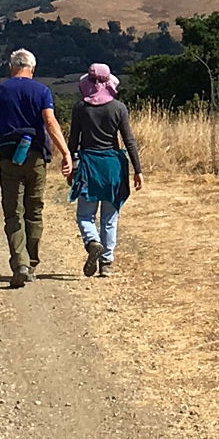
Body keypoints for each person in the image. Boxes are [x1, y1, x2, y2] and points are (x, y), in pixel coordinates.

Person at [0, 48, 72, 288]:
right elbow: (50, 122)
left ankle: (20, 264)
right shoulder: (42, 91)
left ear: (11, 67)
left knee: (13, 212)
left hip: (9, 157)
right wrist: (65, 152)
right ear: (33, 68)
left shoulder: (0, 91)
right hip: (36, 157)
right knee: (34, 211)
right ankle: (32, 264)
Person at [68, 62, 142, 277]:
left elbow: (73, 141)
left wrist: (70, 166)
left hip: (89, 165)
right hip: (113, 166)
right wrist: (138, 170)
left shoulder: (80, 108)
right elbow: (129, 141)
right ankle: (106, 263)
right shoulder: (119, 108)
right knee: (110, 218)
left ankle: (92, 241)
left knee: (85, 215)